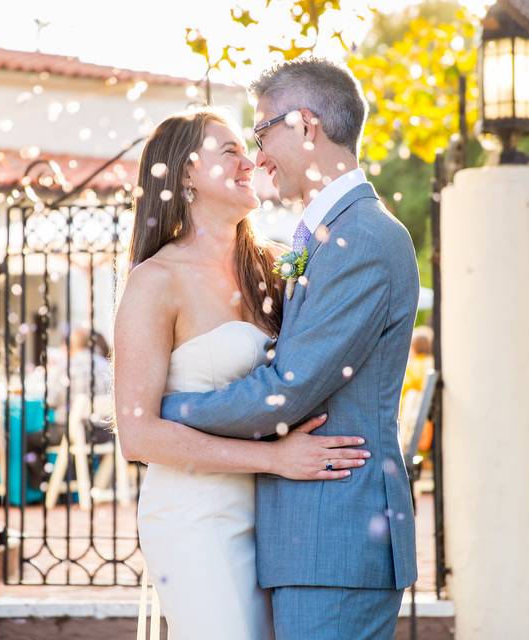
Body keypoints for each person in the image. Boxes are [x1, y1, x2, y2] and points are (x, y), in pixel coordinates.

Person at [160, 58, 420, 639]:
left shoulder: (364, 238)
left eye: (262, 131)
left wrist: (172, 408)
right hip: (310, 537)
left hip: (337, 535)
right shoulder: (327, 235)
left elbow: (288, 387)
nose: (255, 155)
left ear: (306, 126)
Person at [112, 108, 370, 640]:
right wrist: (274, 458)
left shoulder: (275, 268)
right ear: (184, 174)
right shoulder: (155, 281)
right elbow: (138, 436)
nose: (250, 161)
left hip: (277, 513)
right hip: (196, 517)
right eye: (229, 151)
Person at [400, 326, 435, 453]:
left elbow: (403, 396)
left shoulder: (411, 367)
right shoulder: (433, 363)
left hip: (417, 428)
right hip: (432, 424)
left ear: (414, 347)